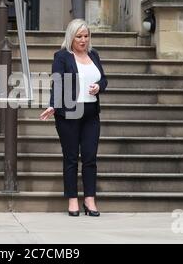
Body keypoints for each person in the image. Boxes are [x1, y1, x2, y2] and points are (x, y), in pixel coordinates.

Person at [40, 19, 107, 217]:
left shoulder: (93, 55)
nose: (83, 40)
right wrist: (53, 104)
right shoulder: (62, 57)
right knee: (71, 158)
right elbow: (57, 82)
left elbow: (103, 78)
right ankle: (72, 200)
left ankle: (90, 199)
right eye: (79, 36)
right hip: (69, 113)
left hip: (91, 113)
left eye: (86, 36)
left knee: (90, 157)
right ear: (71, 37)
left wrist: (99, 87)